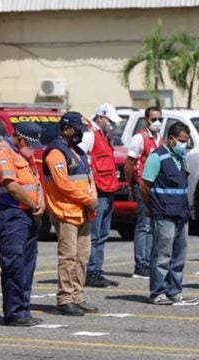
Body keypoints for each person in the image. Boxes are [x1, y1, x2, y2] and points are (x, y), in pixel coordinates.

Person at [44, 112, 99, 316]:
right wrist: (88, 200)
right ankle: (65, 298)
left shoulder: (77, 151)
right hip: (66, 211)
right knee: (68, 257)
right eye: (78, 130)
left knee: (82, 257)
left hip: (83, 212)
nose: (81, 134)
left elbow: (89, 179)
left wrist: (93, 199)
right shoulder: (56, 153)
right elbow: (63, 185)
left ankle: (78, 296)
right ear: (66, 129)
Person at [0, 122, 45, 327]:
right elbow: (12, 185)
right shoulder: (3, 153)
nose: (33, 149)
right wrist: (33, 204)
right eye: (31, 144)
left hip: (28, 214)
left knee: (27, 265)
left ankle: (23, 309)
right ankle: (14, 313)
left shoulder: (23, 153)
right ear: (20, 139)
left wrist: (41, 202)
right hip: (12, 215)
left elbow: (36, 181)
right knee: (14, 264)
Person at [140, 122, 198, 305]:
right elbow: (145, 186)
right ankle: (158, 292)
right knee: (162, 255)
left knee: (179, 255)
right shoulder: (157, 157)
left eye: (186, 141)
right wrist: (152, 206)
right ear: (171, 139)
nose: (184, 144)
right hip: (164, 213)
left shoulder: (181, 158)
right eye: (181, 140)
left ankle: (174, 291)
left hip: (180, 213)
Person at [77, 103, 123, 288]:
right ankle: (91, 272)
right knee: (94, 235)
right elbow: (79, 158)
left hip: (108, 189)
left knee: (103, 234)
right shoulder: (90, 135)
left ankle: (97, 271)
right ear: (101, 117)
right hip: (98, 191)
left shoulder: (105, 136)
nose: (112, 125)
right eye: (110, 121)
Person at [125, 106, 163, 279]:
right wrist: (130, 185)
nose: (157, 122)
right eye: (154, 119)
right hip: (143, 185)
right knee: (144, 225)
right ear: (146, 120)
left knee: (152, 226)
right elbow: (129, 164)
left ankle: (148, 260)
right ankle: (141, 264)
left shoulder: (158, 137)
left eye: (160, 119)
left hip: (156, 185)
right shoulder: (139, 138)